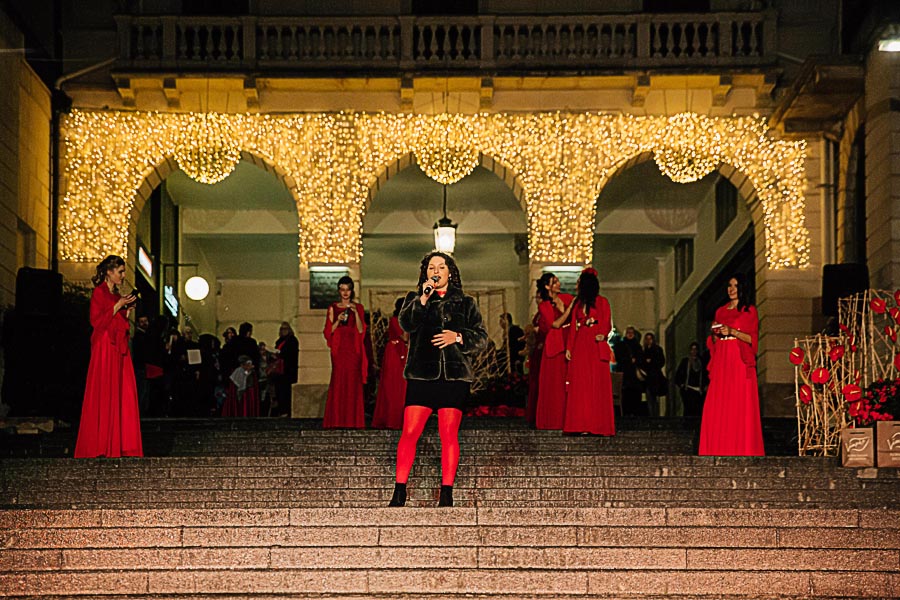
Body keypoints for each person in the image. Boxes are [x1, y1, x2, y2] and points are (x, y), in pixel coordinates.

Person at [388, 251, 488, 508]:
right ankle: (399, 491)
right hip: (422, 375)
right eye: (431, 267)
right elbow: (406, 324)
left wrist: (458, 337)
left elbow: (481, 339)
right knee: (409, 432)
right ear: (425, 273)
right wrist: (423, 298)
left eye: (441, 267)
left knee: (448, 434)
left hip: (453, 378)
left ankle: (446, 492)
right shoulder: (415, 299)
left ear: (450, 272)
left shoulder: (466, 303)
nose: (436, 271)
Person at [74, 255, 143, 458]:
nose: (123, 275)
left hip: (117, 348)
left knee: (122, 392)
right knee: (105, 391)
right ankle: (102, 444)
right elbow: (97, 321)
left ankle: (118, 443)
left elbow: (117, 322)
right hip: (105, 347)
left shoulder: (115, 294)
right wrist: (118, 304)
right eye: (120, 271)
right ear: (109, 272)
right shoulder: (100, 292)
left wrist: (126, 310)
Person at [699, 274, 765, 456]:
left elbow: (752, 339)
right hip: (722, 358)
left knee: (738, 403)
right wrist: (715, 334)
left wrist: (732, 331)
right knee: (717, 403)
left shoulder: (748, 311)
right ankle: (717, 447)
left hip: (738, 359)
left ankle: (741, 448)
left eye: (736, 285)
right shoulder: (720, 311)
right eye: (729, 285)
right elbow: (713, 339)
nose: (731, 289)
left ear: (742, 288)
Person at [562, 267, 615, 435]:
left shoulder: (602, 302)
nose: (576, 285)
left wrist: (603, 334)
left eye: (579, 282)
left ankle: (596, 424)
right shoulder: (578, 304)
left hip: (595, 344)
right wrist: (569, 347)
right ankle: (580, 424)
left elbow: (607, 322)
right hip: (581, 345)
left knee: (596, 385)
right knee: (581, 385)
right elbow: (572, 329)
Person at [322, 275, 367, 428]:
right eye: (342, 290)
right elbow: (328, 332)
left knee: (353, 382)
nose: (345, 293)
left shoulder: (358, 307)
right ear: (339, 291)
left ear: (351, 291)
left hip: (353, 350)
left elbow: (361, 331)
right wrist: (338, 320)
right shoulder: (333, 308)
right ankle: (337, 420)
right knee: (339, 380)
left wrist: (355, 313)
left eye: (347, 289)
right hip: (339, 350)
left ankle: (353, 421)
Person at [535, 272, 573, 430]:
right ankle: (552, 421)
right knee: (554, 387)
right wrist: (569, 309)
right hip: (555, 346)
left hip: (569, 344)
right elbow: (555, 324)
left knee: (567, 386)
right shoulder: (544, 305)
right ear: (547, 286)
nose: (558, 284)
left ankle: (567, 420)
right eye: (555, 281)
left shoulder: (567, 298)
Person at [372, 297, 409, 429]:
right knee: (394, 385)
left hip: (403, 352)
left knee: (402, 386)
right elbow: (404, 336)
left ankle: (401, 419)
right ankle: (392, 419)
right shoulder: (396, 320)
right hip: (394, 354)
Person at [271, 321, 299, 417]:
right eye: (282, 329)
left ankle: (286, 411)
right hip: (279, 371)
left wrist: (280, 354)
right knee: (279, 391)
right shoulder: (279, 341)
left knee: (286, 392)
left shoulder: (292, 341)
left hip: (288, 371)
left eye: (285, 329)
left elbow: (291, 355)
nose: (283, 331)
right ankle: (281, 410)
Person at [614, 326, 644, 416]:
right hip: (626, 374)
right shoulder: (621, 345)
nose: (630, 334)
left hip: (633, 375)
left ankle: (633, 412)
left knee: (634, 394)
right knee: (626, 394)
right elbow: (618, 357)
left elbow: (640, 358)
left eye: (632, 333)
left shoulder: (637, 346)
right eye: (628, 332)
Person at [675, 341, 707, 417]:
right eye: (692, 349)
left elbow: (705, 375)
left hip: (698, 390)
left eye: (695, 349)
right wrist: (681, 384)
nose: (694, 351)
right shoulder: (685, 361)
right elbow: (678, 375)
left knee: (698, 411)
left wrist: (705, 386)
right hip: (688, 389)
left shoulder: (701, 362)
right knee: (688, 409)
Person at [640, 332, 666, 417]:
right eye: (647, 339)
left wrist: (652, 362)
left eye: (650, 339)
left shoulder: (657, 350)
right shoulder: (643, 351)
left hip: (655, 377)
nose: (648, 341)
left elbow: (661, 361)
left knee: (653, 398)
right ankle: (652, 415)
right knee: (649, 397)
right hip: (647, 378)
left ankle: (654, 415)